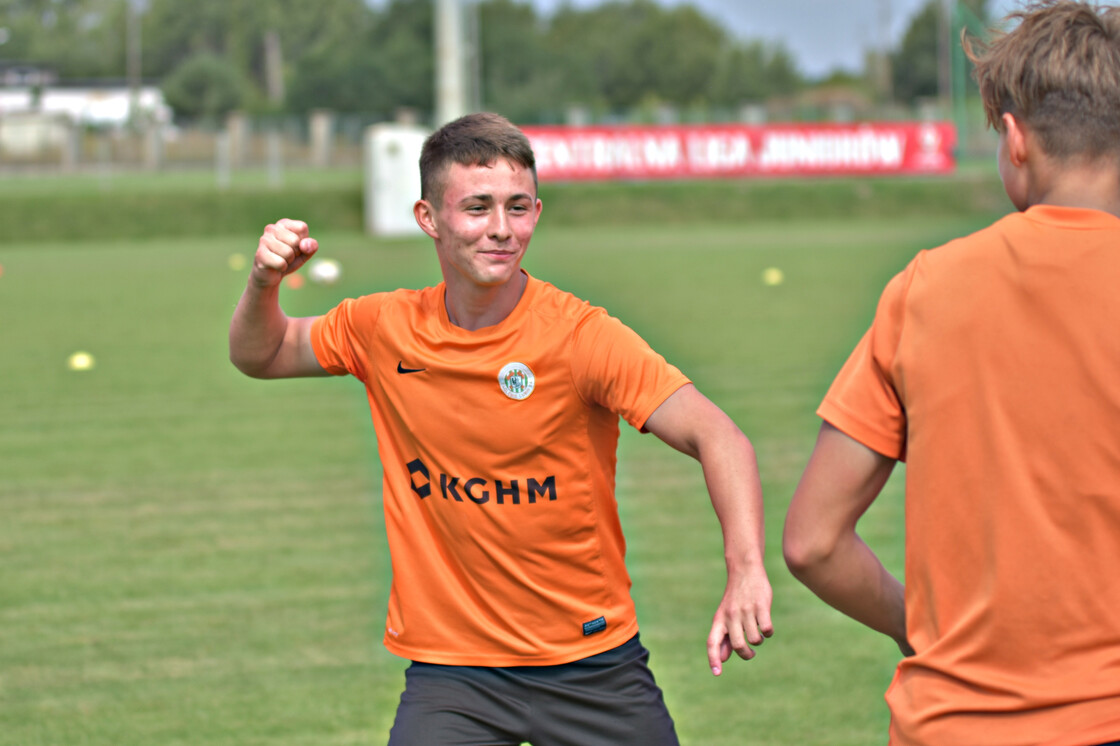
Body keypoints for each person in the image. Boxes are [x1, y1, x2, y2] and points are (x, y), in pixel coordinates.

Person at [229, 112, 773, 746]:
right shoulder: (380, 328)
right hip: (453, 676)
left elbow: (719, 436)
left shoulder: (581, 337)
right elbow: (260, 355)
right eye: (477, 207)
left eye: (517, 208)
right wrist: (264, 282)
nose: (500, 230)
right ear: (428, 218)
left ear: (537, 212)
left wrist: (745, 570)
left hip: (592, 666)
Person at [782, 2, 1120, 744]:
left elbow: (813, 541)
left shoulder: (927, 288)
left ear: (1016, 139)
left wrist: (923, 631)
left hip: (954, 724)